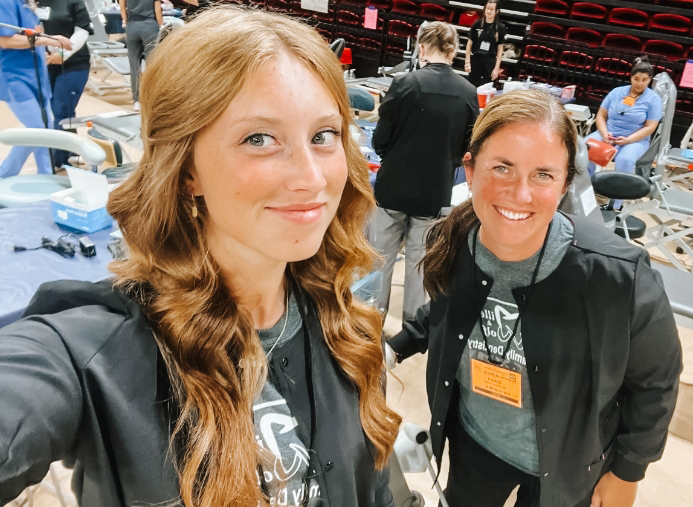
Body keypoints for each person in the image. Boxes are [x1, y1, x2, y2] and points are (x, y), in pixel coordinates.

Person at [0, 6, 399, 507]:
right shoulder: (94, 353)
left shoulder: (350, 329)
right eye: (260, 139)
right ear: (186, 168)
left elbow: (376, 485)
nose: (312, 179)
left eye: (324, 136)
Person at [386, 90, 682, 507]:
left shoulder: (618, 276)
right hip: (475, 442)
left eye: (543, 174)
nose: (520, 193)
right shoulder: (456, 240)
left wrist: (628, 471)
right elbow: (445, 309)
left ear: (565, 182)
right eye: (502, 167)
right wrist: (395, 347)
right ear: (469, 170)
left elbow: (656, 382)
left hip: (566, 461)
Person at [371, 21, 478, 324]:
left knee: (378, 260)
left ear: (421, 47)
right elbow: (467, 147)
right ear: (453, 51)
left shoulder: (404, 84)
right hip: (434, 192)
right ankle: (411, 329)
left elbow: (381, 137)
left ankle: (368, 325)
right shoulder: (468, 93)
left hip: (393, 188)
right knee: (420, 265)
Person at [0, 0, 69, 176]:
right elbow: (6, 40)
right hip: (14, 75)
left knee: (46, 129)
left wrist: (48, 48)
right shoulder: (7, 2)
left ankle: (46, 176)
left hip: (37, 73)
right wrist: (49, 40)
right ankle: (5, 174)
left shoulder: (28, 4)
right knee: (37, 129)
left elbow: (35, 33)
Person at [585, 56, 663, 180]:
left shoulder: (654, 99)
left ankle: (617, 197)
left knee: (624, 160)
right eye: (636, 79)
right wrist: (604, 133)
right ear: (631, 77)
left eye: (644, 80)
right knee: (584, 148)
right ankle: (586, 184)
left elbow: (650, 127)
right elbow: (601, 115)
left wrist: (628, 140)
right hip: (608, 132)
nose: (639, 83)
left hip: (635, 139)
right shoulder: (616, 92)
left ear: (650, 80)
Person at [39, 0, 94, 168]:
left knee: (61, 109)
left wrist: (63, 54)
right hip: (47, 64)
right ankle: (73, 151)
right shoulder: (34, 3)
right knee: (59, 110)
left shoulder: (73, 2)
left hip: (74, 64)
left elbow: (82, 31)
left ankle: (57, 160)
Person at [120, 0, 161, 110]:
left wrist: (125, 21)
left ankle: (137, 101)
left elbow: (122, 7)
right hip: (150, 25)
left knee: (134, 66)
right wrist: (161, 25)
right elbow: (157, 9)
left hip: (132, 26)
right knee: (151, 65)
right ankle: (151, 98)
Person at [464, 0, 505, 88]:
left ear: (496, 11)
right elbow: (469, 43)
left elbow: (500, 49)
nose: (489, 11)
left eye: (492, 9)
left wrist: (496, 68)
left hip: (490, 60)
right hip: (476, 59)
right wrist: (467, 62)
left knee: (487, 87)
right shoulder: (477, 24)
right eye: (487, 8)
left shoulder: (500, 28)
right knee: (472, 85)